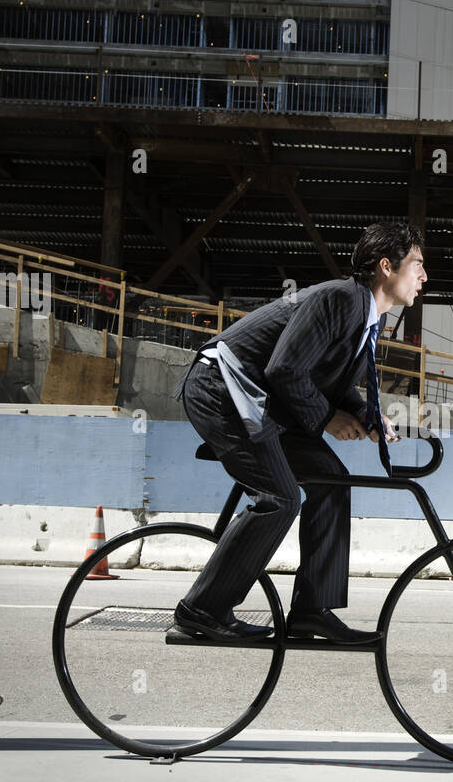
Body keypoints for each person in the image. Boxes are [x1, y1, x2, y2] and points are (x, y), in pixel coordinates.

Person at [171, 222, 426, 644]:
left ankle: (311, 611)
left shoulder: (366, 319)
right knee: (280, 499)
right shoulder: (339, 299)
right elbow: (285, 369)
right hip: (223, 388)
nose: (423, 276)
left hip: (268, 402)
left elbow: (330, 381)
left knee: (332, 482)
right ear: (386, 266)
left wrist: (367, 414)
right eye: (417, 265)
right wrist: (327, 419)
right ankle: (203, 609)